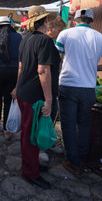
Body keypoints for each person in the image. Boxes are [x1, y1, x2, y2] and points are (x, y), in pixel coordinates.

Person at [55, 8, 102, 176]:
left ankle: (73, 162)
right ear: (91, 21)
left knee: (68, 125)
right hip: (88, 89)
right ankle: (82, 159)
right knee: (83, 124)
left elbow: (56, 58)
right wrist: (94, 67)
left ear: (75, 20)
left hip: (68, 85)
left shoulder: (65, 34)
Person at [11, 5, 59, 190]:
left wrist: (16, 87)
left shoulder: (26, 39)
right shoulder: (45, 41)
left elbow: (21, 67)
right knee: (31, 136)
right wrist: (48, 100)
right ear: (45, 21)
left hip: (24, 92)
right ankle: (30, 172)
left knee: (28, 133)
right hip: (35, 98)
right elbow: (43, 70)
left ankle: (31, 165)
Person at [38, 16, 67, 163]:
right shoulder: (46, 42)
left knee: (50, 116)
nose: (60, 33)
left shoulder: (52, 42)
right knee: (45, 116)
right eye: (59, 30)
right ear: (51, 28)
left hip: (53, 84)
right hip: (46, 87)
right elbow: (43, 70)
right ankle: (41, 148)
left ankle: (49, 142)